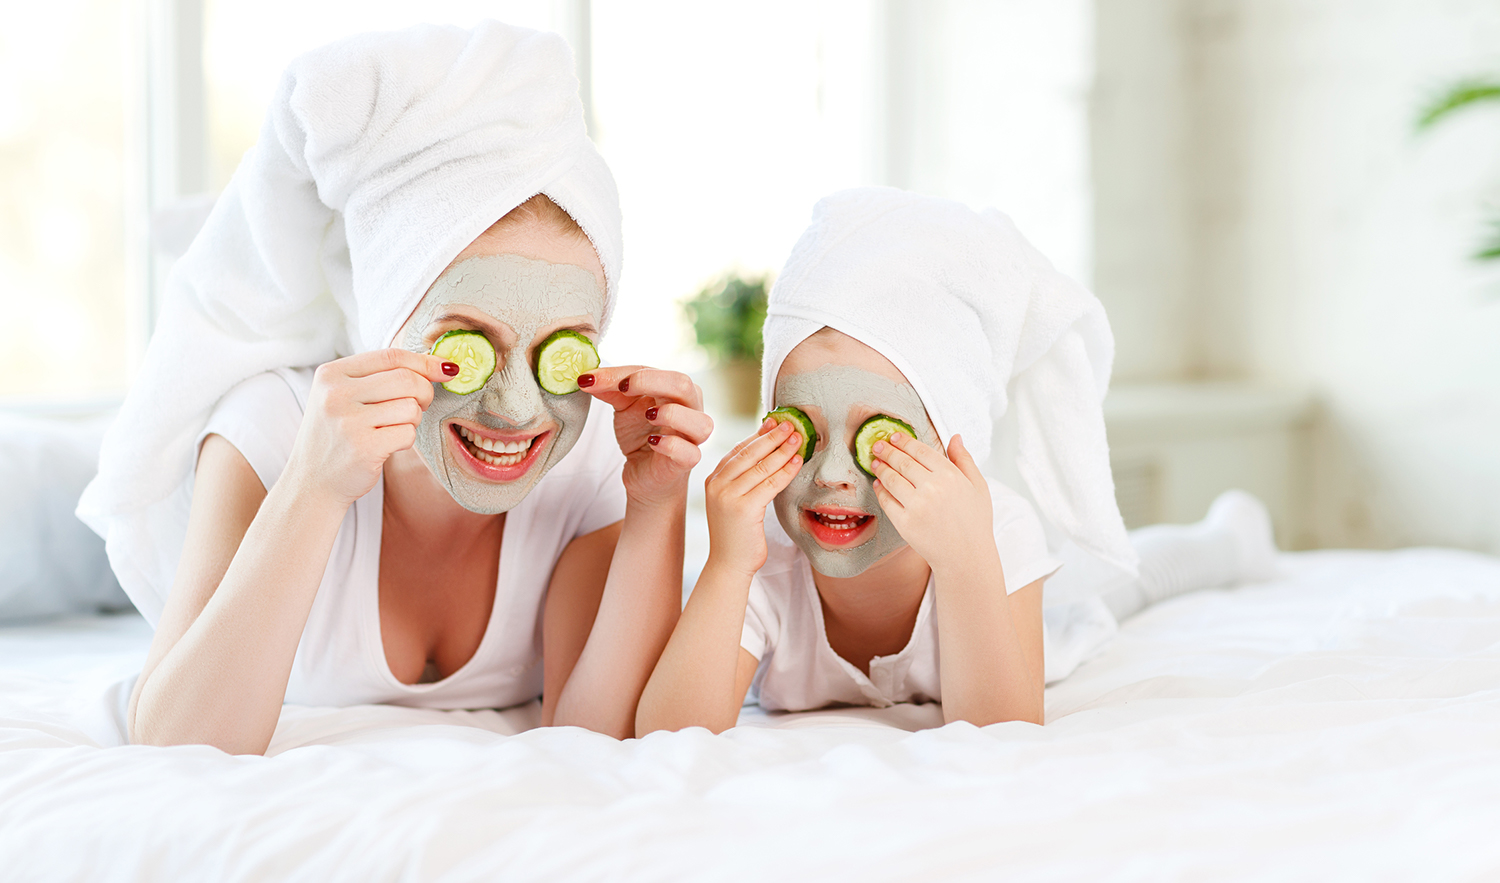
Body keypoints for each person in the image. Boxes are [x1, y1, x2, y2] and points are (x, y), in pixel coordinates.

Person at [77, 23, 706, 754]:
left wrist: (658, 505)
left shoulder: (591, 454)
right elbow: (177, 739)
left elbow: (592, 734)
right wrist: (314, 486)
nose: (515, 406)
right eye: (468, 341)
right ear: (385, 323)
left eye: (555, 353)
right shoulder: (272, 427)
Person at [636, 188, 1278, 734]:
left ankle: (1228, 539)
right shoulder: (761, 554)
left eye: (878, 440)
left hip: (1020, 611)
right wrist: (725, 566)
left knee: (1124, 584)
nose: (832, 476)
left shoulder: (994, 529)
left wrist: (967, 558)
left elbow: (1003, 735)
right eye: (801, 431)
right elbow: (667, 735)